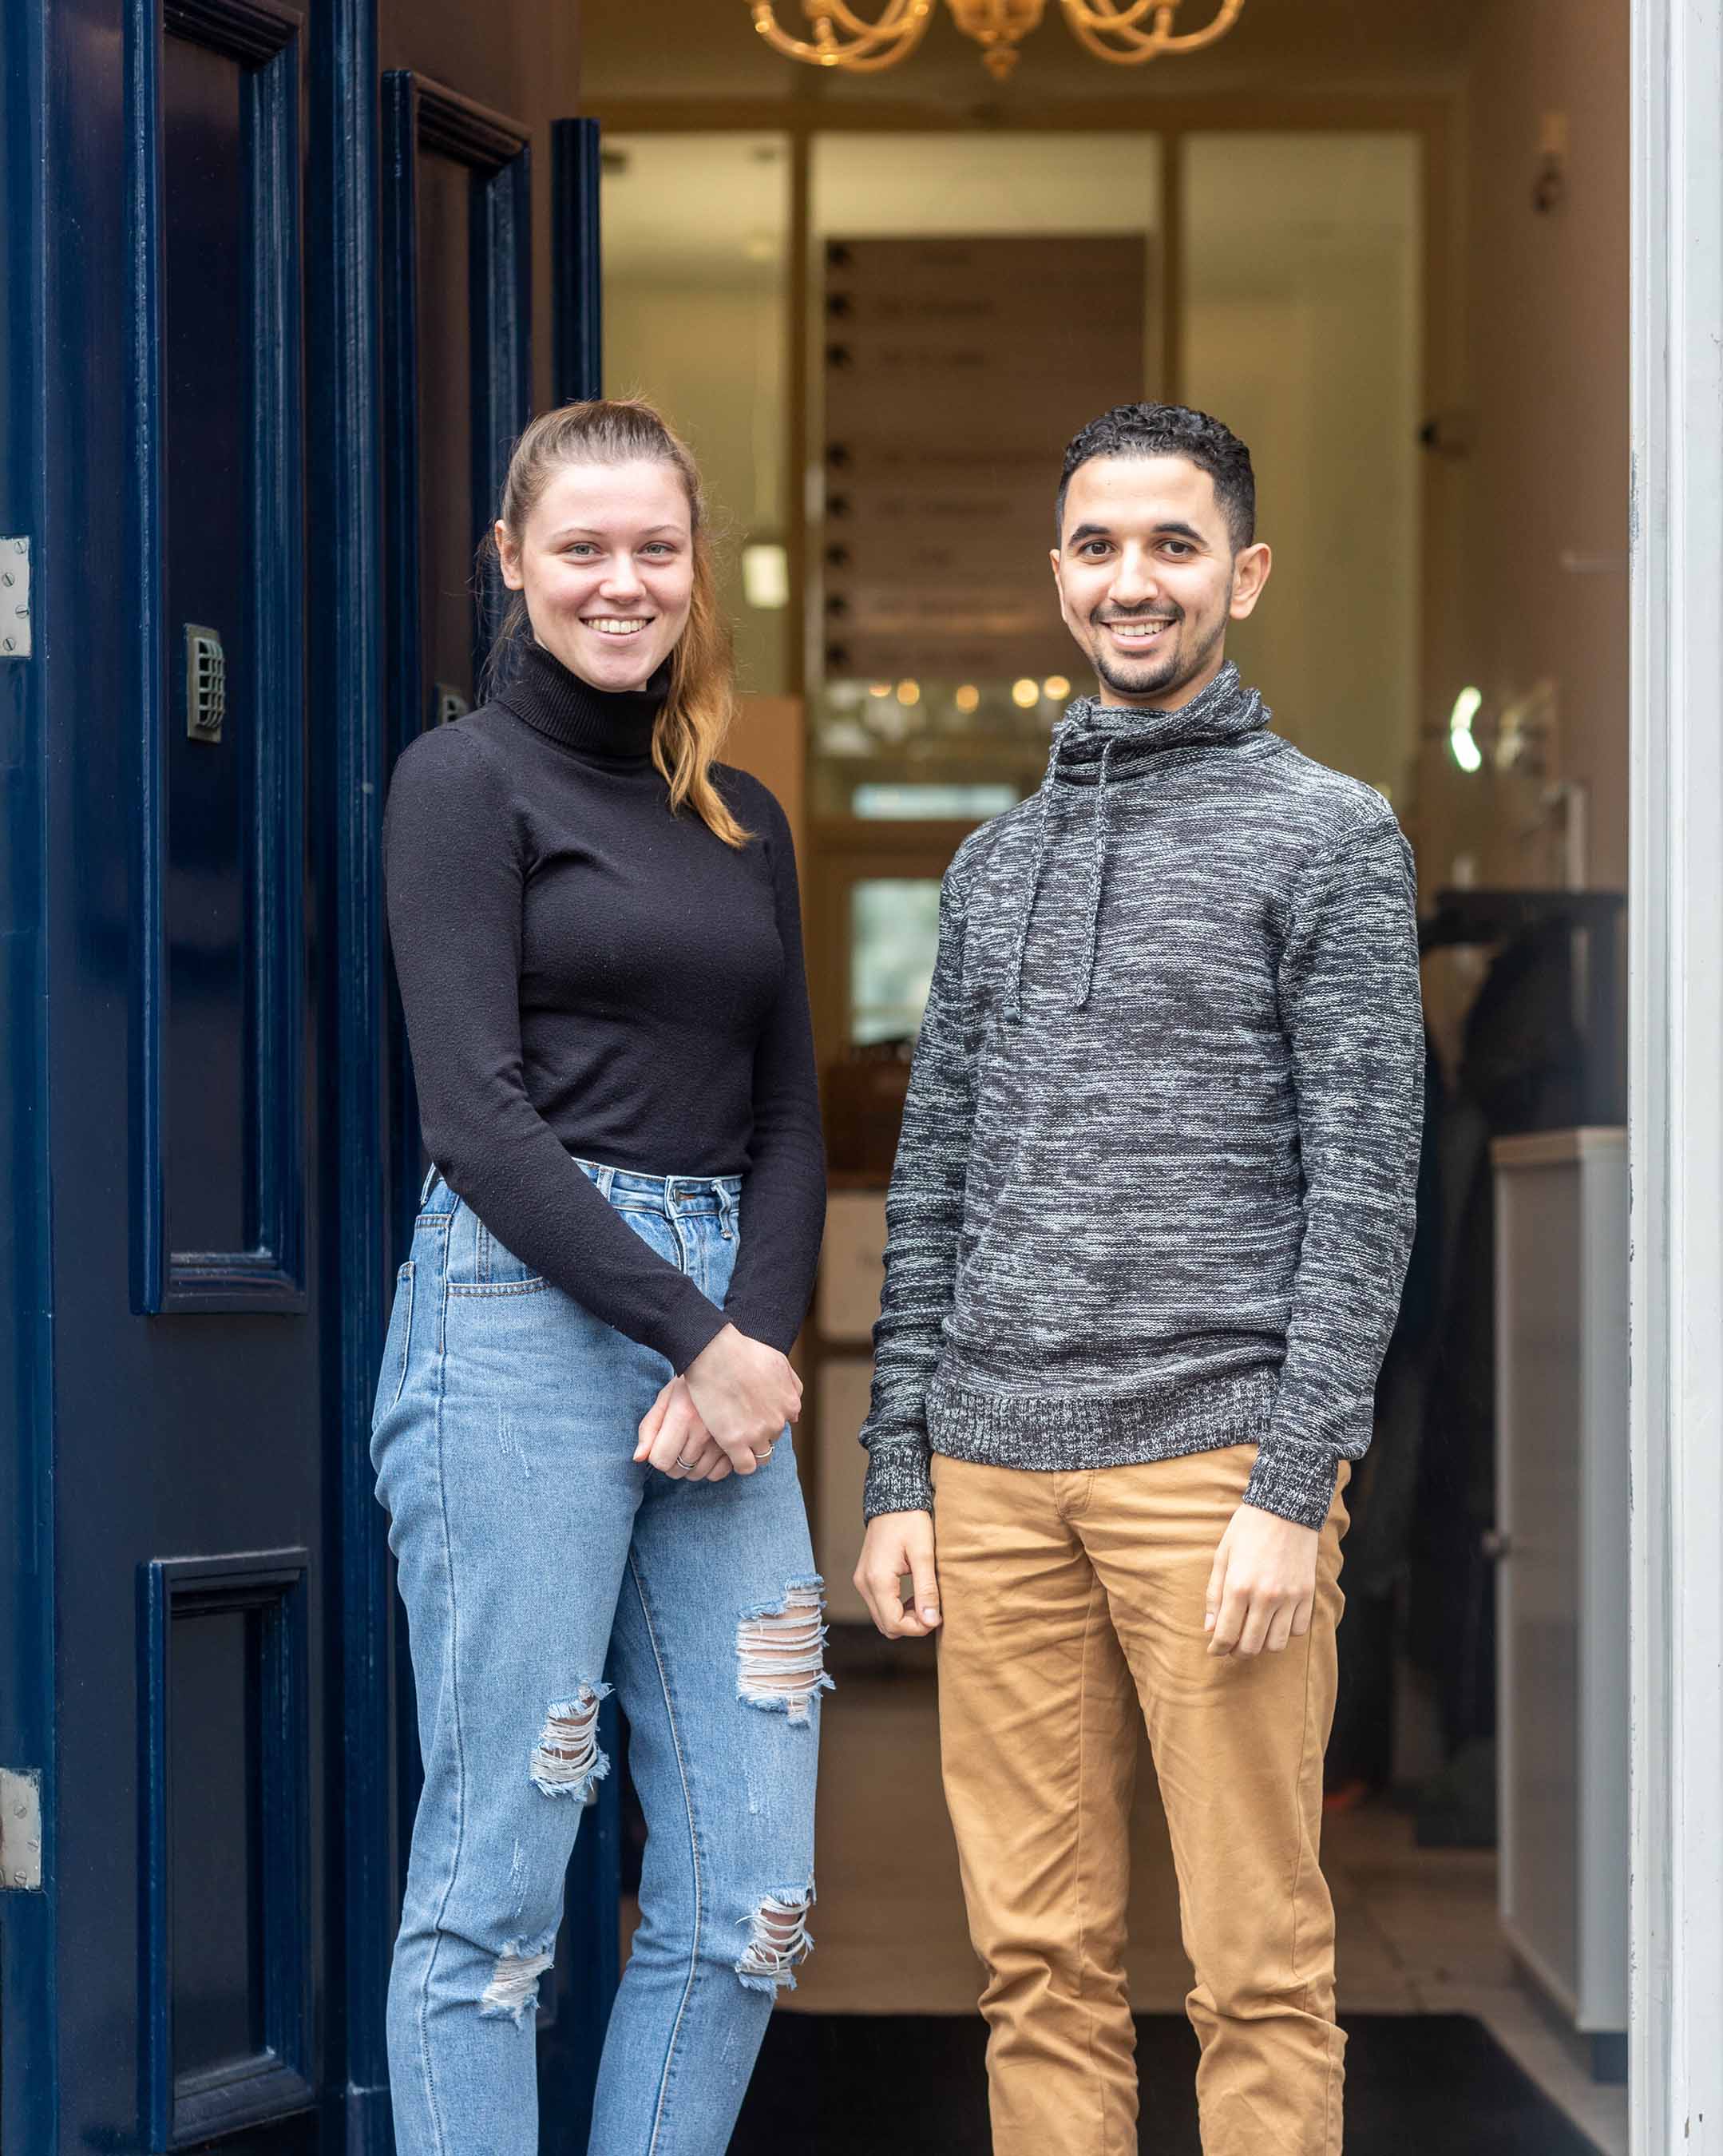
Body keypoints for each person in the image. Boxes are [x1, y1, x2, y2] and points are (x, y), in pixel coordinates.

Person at [854, 402, 1424, 2156]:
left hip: (1212, 1473)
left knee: (1256, 1967)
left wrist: (1292, 1478)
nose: (1133, 580)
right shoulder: (991, 867)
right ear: (1057, 576)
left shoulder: (1331, 835)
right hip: (996, 1472)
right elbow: (934, 1179)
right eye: (1099, 546)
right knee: (1037, 1964)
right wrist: (897, 1471)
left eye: (1174, 545)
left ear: (1242, 574)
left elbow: (1370, 1188)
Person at [374, 397, 828, 2156]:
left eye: (655, 548)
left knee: (751, 1901)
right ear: (511, 563)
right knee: (496, 1895)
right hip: (517, 1318)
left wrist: (751, 1345)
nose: (621, 583)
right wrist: (698, 1334)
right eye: (582, 549)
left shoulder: (739, 817)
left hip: (720, 1332)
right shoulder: (461, 784)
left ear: (695, 564)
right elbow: (477, 1119)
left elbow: (787, 1112)